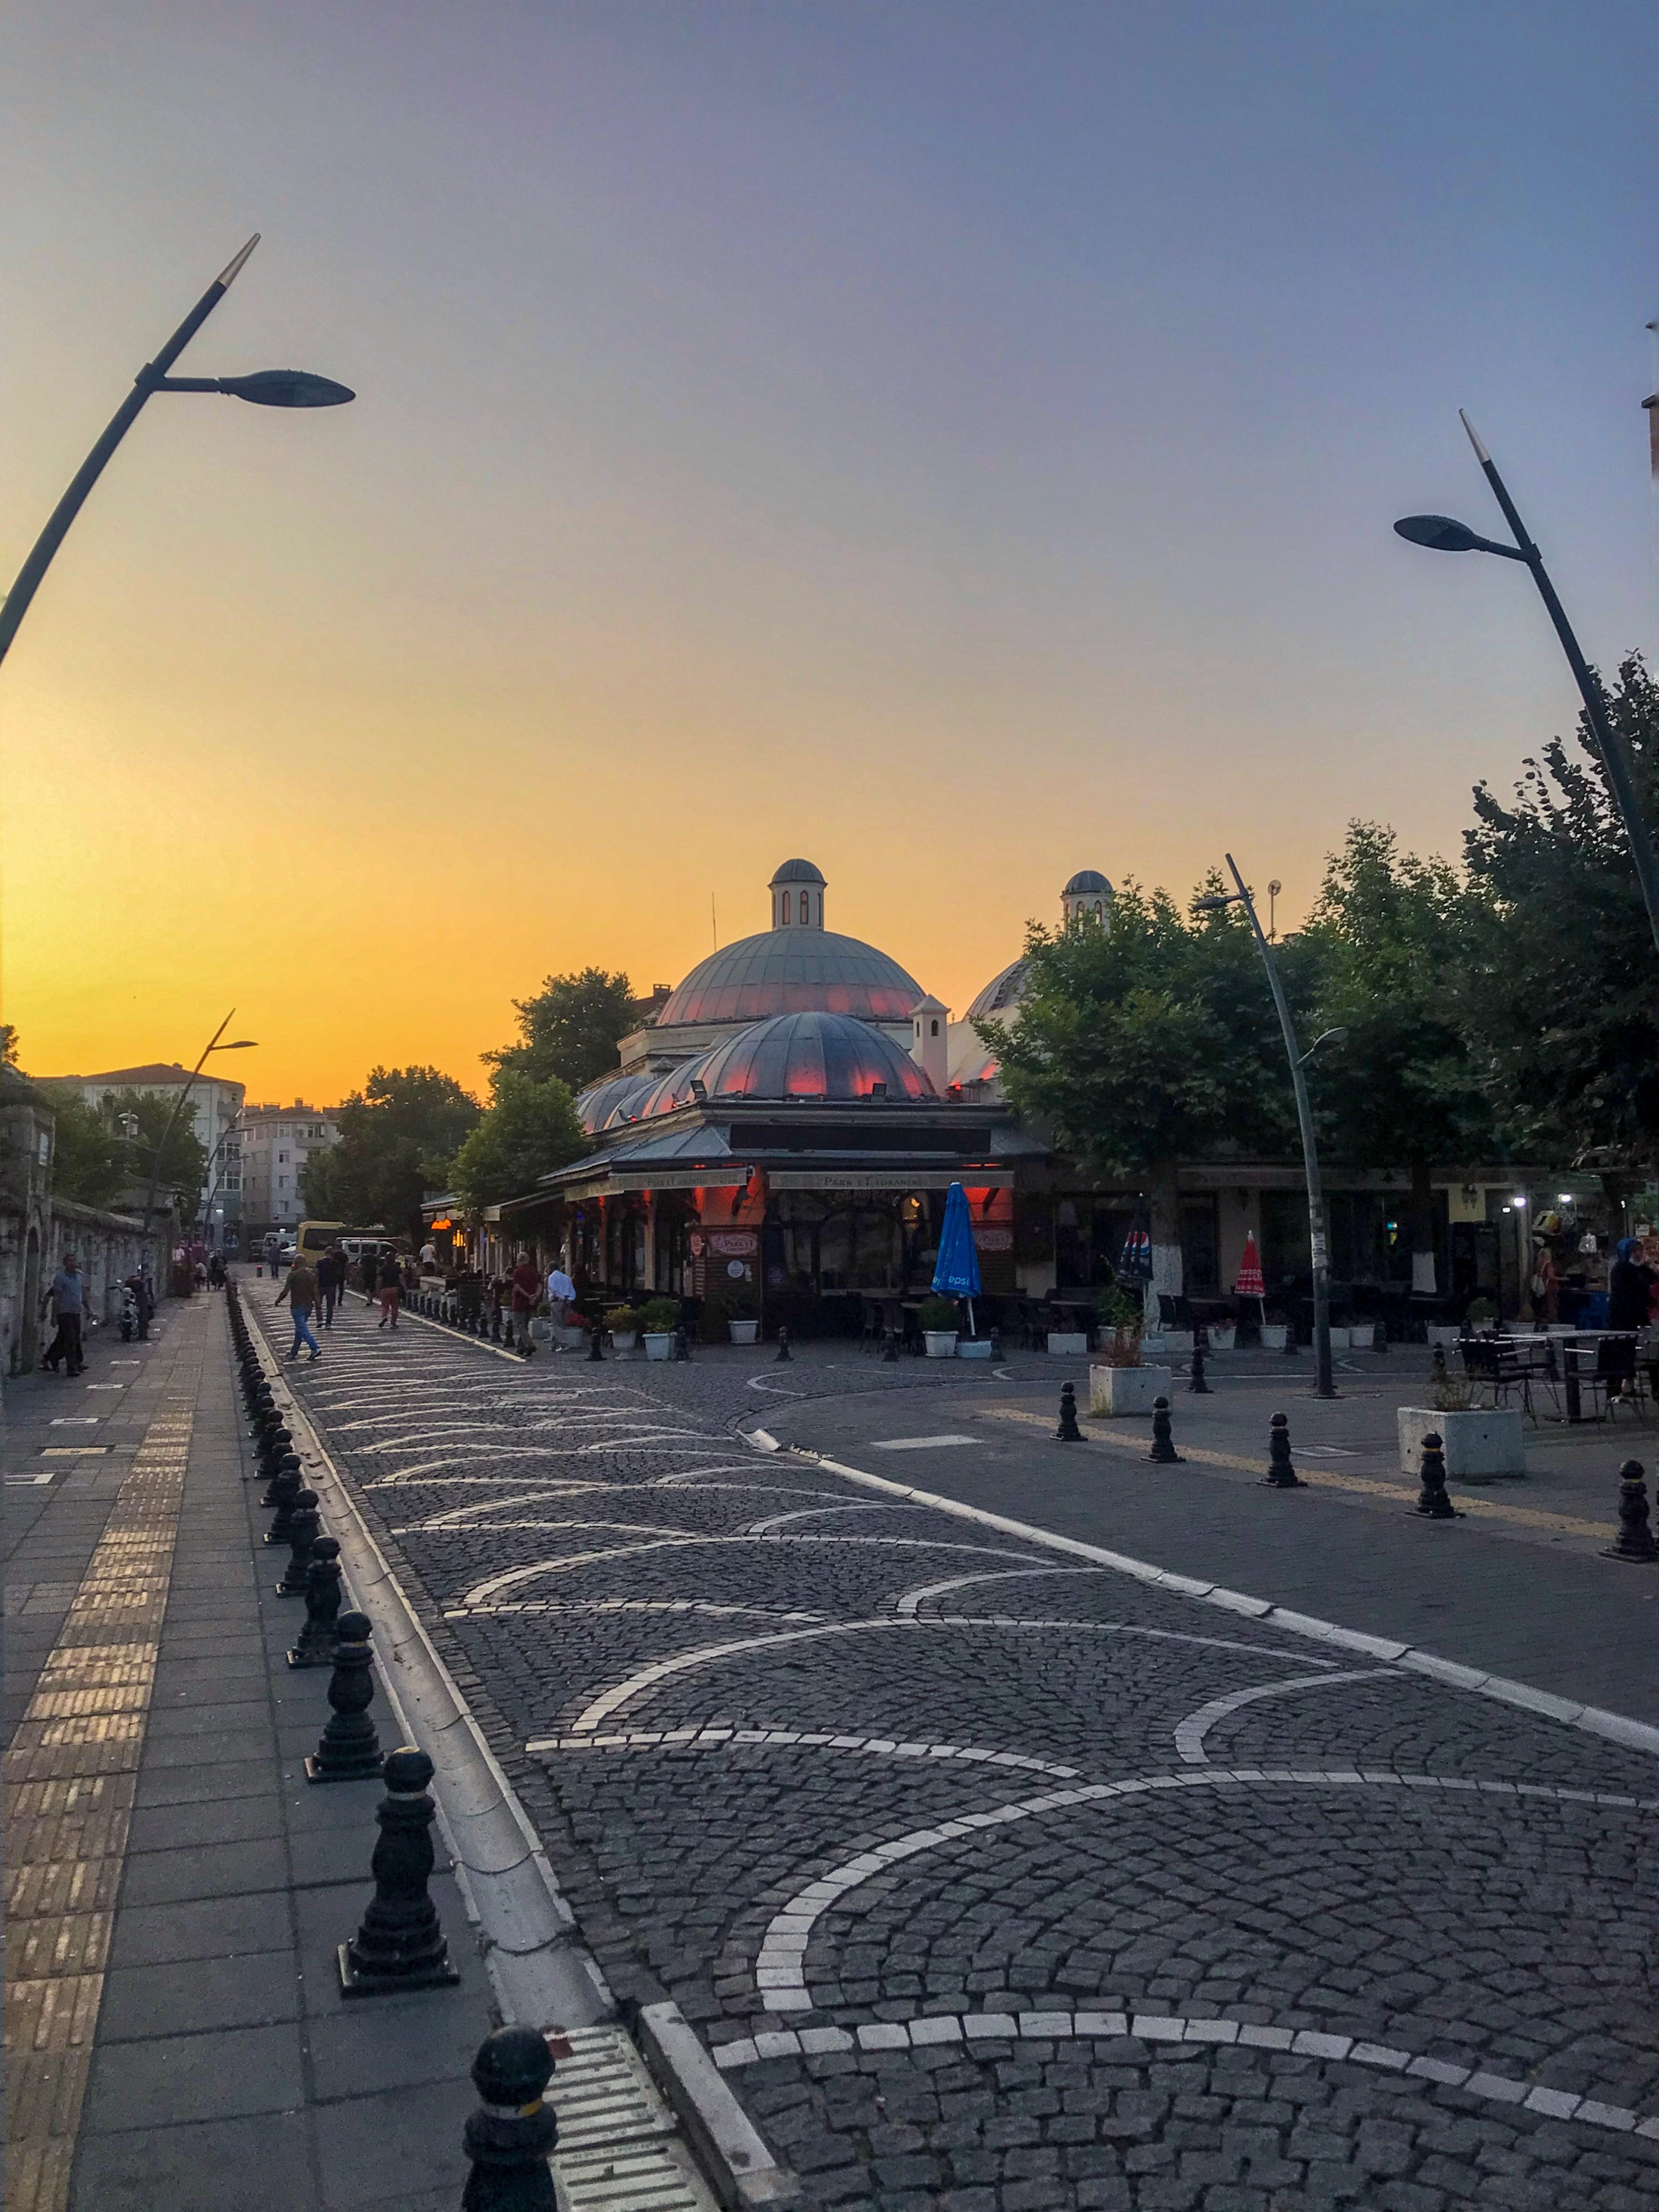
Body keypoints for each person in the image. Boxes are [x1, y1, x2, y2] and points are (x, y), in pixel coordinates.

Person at [41, 1251, 87, 1375]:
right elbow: (56, 1297)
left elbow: (82, 1294)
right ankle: (71, 1368)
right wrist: (54, 1316)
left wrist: (89, 1309)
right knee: (70, 1339)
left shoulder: (79, 1277)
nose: (72, 1263)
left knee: (65, 1338)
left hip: (76, 1312)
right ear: (65, 1263)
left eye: (74, 1260)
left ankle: (50, 1358)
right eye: (70, 1261)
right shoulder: (61, 1278)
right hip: (64, 1313)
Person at [274, 1254, 322, 1360]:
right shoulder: (312, 1275)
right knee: (299, 1330)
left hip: (297, 1305)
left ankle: (314, 1348)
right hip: (308, 1306)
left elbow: (286, 1291)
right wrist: (319, 1307)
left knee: (302, 1329)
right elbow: (316, 1293)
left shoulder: (293, 1275)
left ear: (296, 1263)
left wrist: (278, 1300)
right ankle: (293, 1352)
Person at [508, 1248, 541, 1355]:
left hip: (520, 1302)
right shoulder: (533, 1270)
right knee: (525, 1325)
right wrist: (535, 1296)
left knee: (519, 1325)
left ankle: (529, 1345)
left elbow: (518, 1287)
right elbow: (539, 1285)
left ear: (519, 1260)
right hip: (531, 1303)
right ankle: (521, 1348)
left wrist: (528, 1296)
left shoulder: (518, 1272)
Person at [316, 1246, 342, 1328]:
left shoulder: (320, 1262)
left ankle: (319, 1320)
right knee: (330, 1306)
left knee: (318, 1304)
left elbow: (316, 1273)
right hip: (331, 1285)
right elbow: (339, 1273)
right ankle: (328, 1323)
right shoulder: (335, 1263)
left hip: (321, 1285)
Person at [377, 1248, 403, 1329]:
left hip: (385, 1289)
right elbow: (401, 1279)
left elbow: (379, 1280)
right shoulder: (397, 1268)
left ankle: (384, 1316)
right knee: (395, 1306)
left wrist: (378, 1289)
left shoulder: (383, 1269)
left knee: (385, 1306)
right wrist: (405, 1288)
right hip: (395, 1289)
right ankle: (393, 1323)